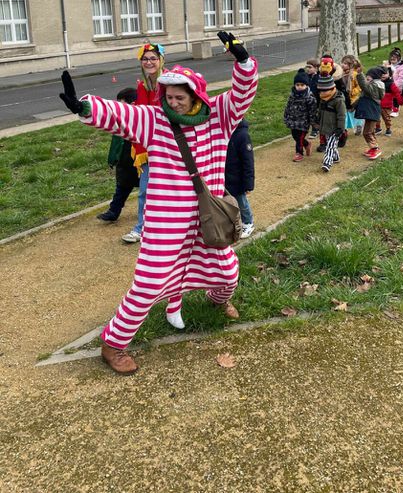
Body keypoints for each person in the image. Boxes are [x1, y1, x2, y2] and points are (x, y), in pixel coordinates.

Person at [59, 31, 258, 375]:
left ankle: (217, 300)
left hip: (208, 217)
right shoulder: (154, 120)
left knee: (227, 271)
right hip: (166, 222)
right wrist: (86, 106)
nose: (174, 102)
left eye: (180, 97)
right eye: (169, 96)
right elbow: (120, 115)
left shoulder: (219, 118)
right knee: (149, 285)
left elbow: (242, 94)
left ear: (195, 95)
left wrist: (243, 62)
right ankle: (113, 344)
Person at [122, 42, 165, 244]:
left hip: (170, 144)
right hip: (149, 146)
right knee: (145, 190)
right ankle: (141, 228)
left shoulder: (169, 81)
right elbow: (142, 114)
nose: (149, 62)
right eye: (145, 59)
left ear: (160, 60)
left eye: (153, 58)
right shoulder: (141, 86)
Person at [97, 87, 140, 223]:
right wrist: (113, 158)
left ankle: (149, 214)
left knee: (148, 190)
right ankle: (113, 211)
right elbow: (115, 143)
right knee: (121, 187)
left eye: (121, 103)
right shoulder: (119, 120)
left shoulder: (140, 119)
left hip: (139, 161)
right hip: (125, 162)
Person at [225, 120, 255, 238]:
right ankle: (232, 222)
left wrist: (248, 184)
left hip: (238, 178)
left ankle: (248, 222)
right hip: (226, 176)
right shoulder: (225, 133)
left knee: (241, 202)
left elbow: (248, 161)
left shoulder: (242, 136)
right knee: (228, 201)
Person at [283, 69, 317, 161]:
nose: (300, 87)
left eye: (302, 85)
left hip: (304, 122)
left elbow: (312, 110)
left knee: (300, 138)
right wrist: (286, 117)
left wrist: (313, 121)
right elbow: (288, 107)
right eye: (297, 85)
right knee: (295, 136)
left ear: (306, 85)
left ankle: (299, 153)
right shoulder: (292, 96)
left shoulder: (309, 97)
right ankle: (307, 144)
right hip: (293, 121)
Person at [317, 73, 346, 173]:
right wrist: (318, 120)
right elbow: (320, 111)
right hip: (325, 127)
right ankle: (336, 157)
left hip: (335, 128)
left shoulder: (338, 101)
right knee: (331, 144)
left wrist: (340, 128)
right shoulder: (322, 99)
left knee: (329, 145)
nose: (323, 92)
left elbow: (342, 116)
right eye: (321, 90)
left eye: (325, 90)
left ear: (332, 88)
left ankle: (327, 163)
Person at [355, 65, 386, 160]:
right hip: (370, 112)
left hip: (373, 112)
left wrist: (360, 75)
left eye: (370, 75)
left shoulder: (376, 86)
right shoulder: (373, 85)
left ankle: (375, 148)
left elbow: (365, 87)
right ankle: (373, 148)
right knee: (369, 132)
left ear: (375, 77)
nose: (367, 77)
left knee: (368, 132)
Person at [378, 65, 403, 135]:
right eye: (381, 73)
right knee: (376, 118)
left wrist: (400, 100)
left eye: (385, 73)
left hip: (387, 105)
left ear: (389, 73)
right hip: (377, 104)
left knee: (386, 118)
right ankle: (378, 128)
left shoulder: (391, 84)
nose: (383, 75)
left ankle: (388, 129)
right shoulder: (376, 82)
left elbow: (397, 92)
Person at [340, 54, 362, 135]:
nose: (343, 65)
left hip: (353, 98)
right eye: (342, 63)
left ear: (350, 65)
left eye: (345, 64)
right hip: (344, 97)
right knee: (344, 113)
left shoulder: (354, 74)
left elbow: (359, 86)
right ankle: (344, 129)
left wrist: (352, 92)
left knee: (355, 113)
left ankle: (358, 126)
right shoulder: (340, 74)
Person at [304, 58, 320, 138]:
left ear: (316, 68)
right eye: (307, 67)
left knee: (315, 115)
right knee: (309, 115)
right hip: (307, 99)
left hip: (317, 99)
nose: (308, 69)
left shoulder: (318, 77)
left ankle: (315, 130)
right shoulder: (306, 77)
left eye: (310, 67)